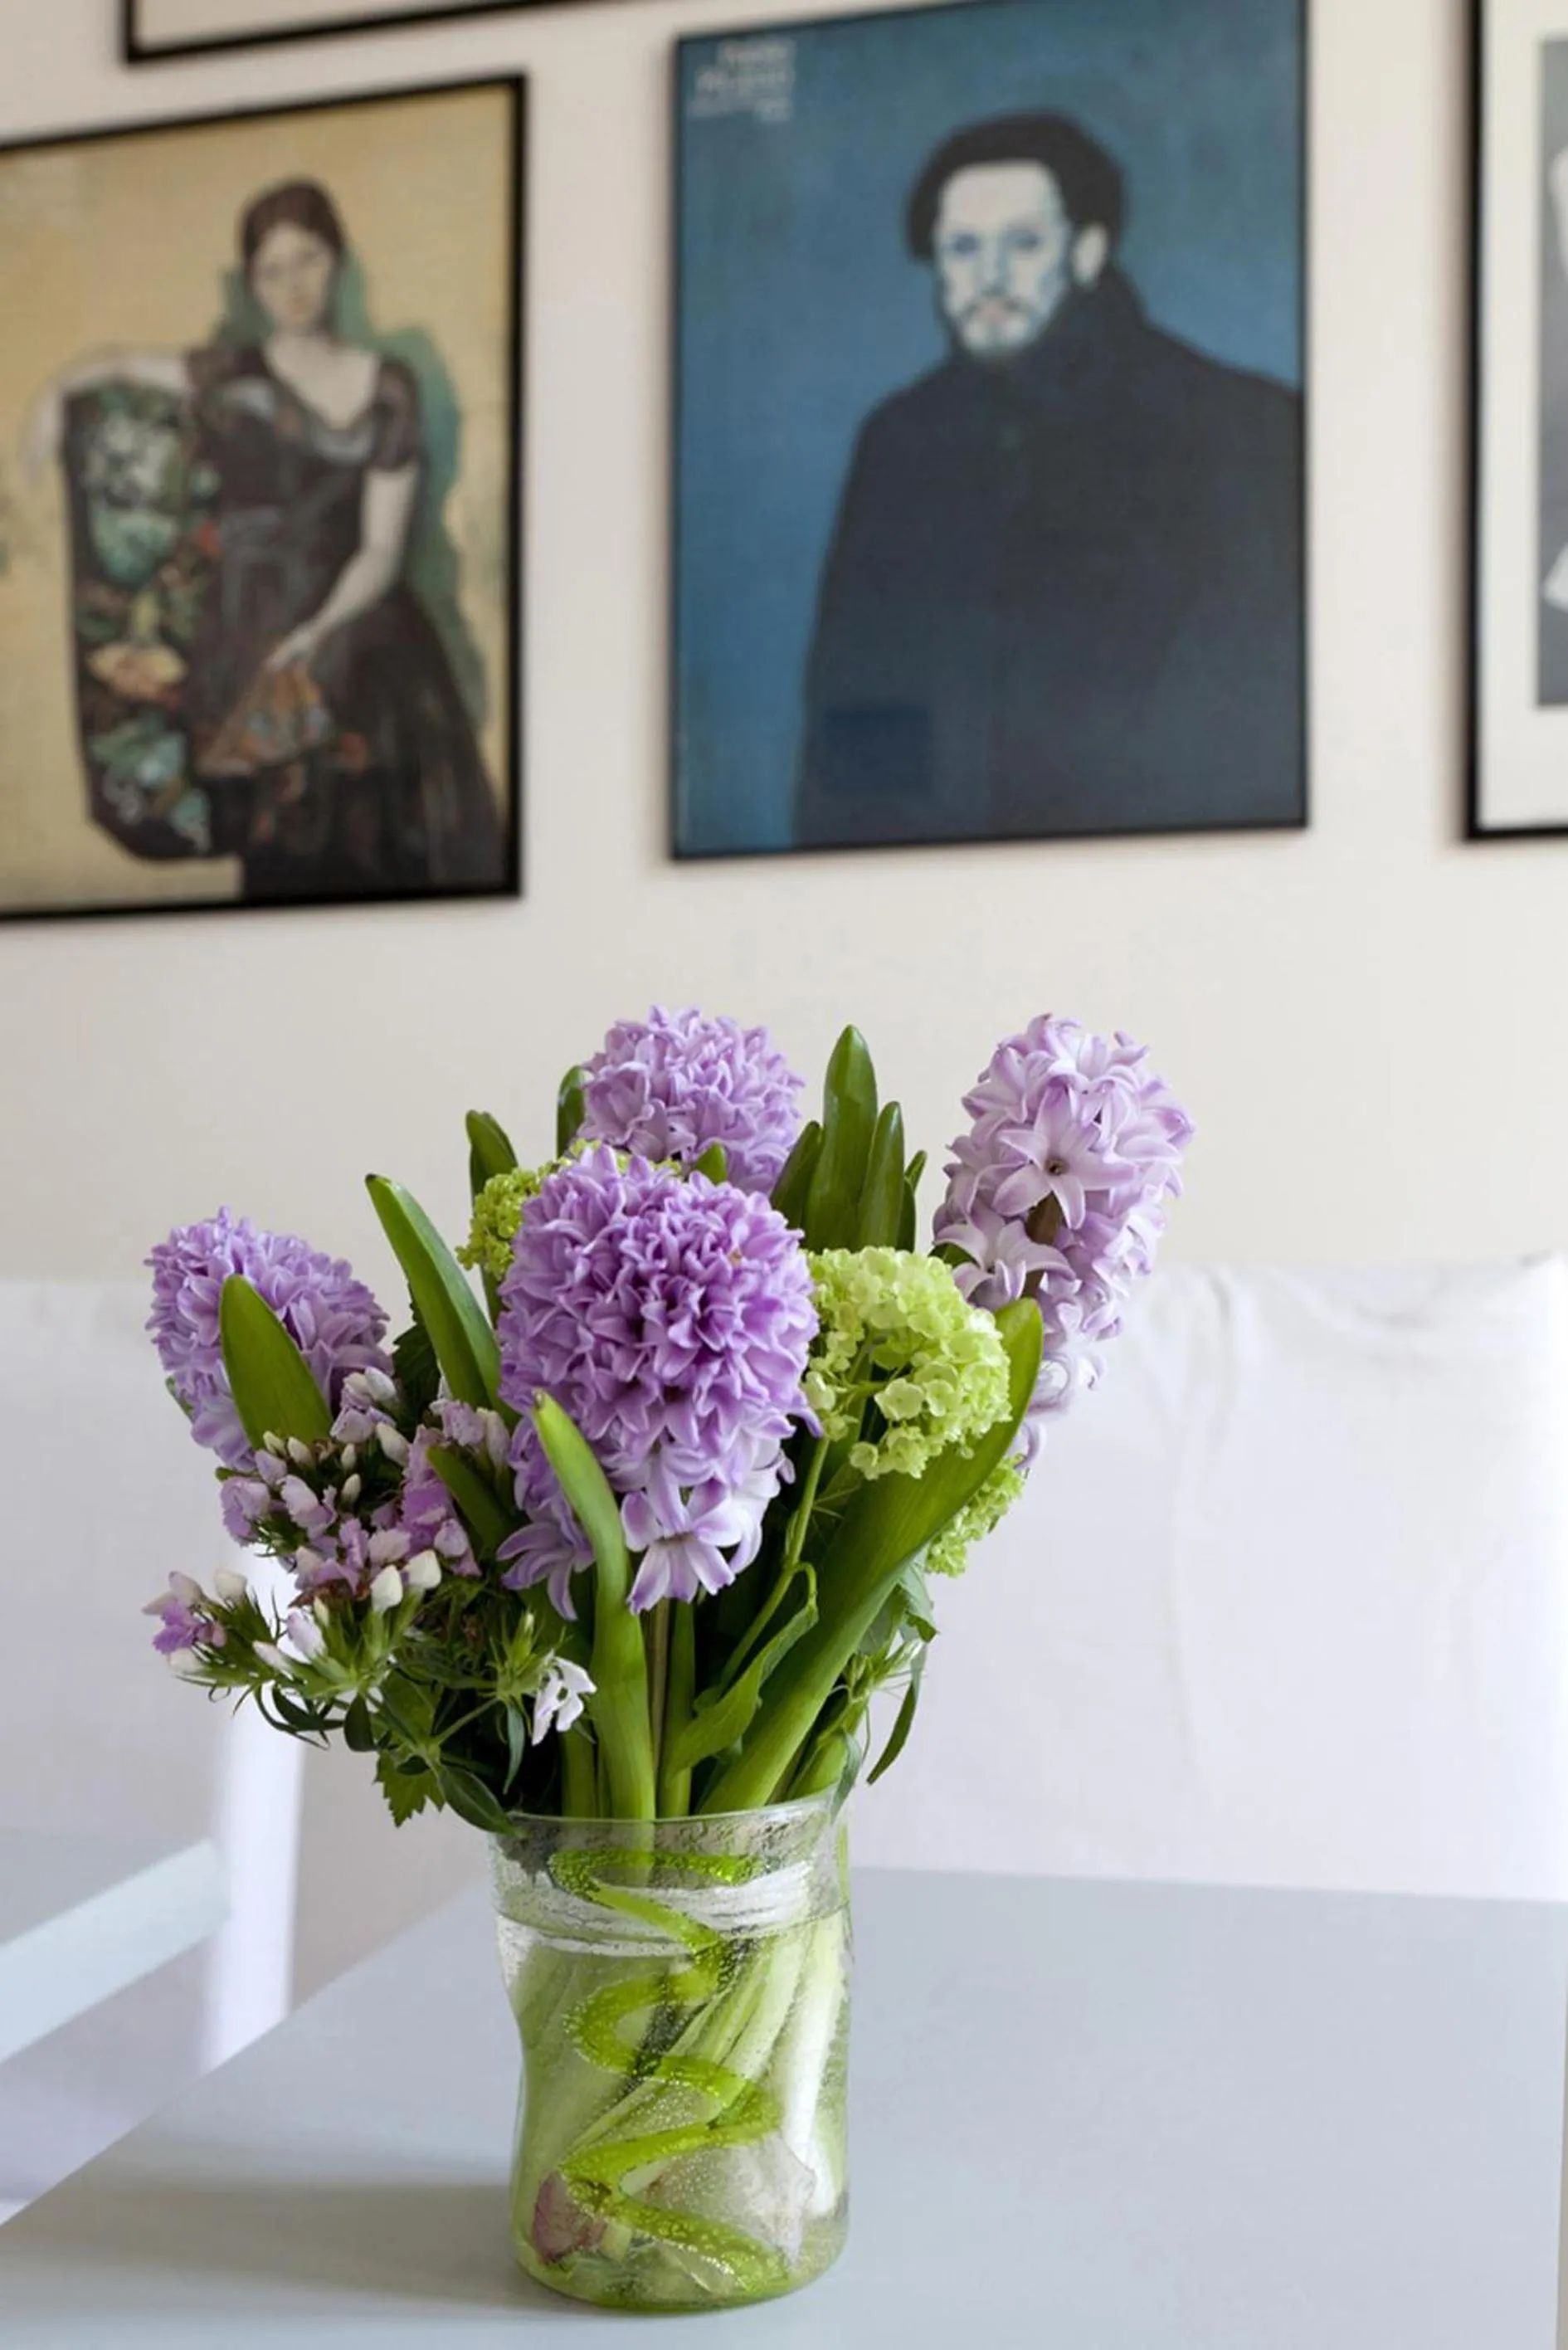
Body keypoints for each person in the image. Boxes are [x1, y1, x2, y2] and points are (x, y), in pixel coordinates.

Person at [796, 113, 1304, 849]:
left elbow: (1256, 721)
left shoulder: (1242, 425)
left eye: (1024, 243)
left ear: (1089, 252)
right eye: (963, 249)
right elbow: (852, 730)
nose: (990, 277)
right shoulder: (901, 443)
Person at [24, 178, 504, 901]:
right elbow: (119, 363)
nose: (293, 285)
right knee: (282, 854)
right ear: (252, 285)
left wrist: (317, 630)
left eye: (307, 260)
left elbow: (380, 546)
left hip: (360, 631)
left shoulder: (388, 385)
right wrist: (50, 400)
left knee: (383, 851)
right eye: (272, 270)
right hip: (246, 634)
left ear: (337, 261)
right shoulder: (230, 374)